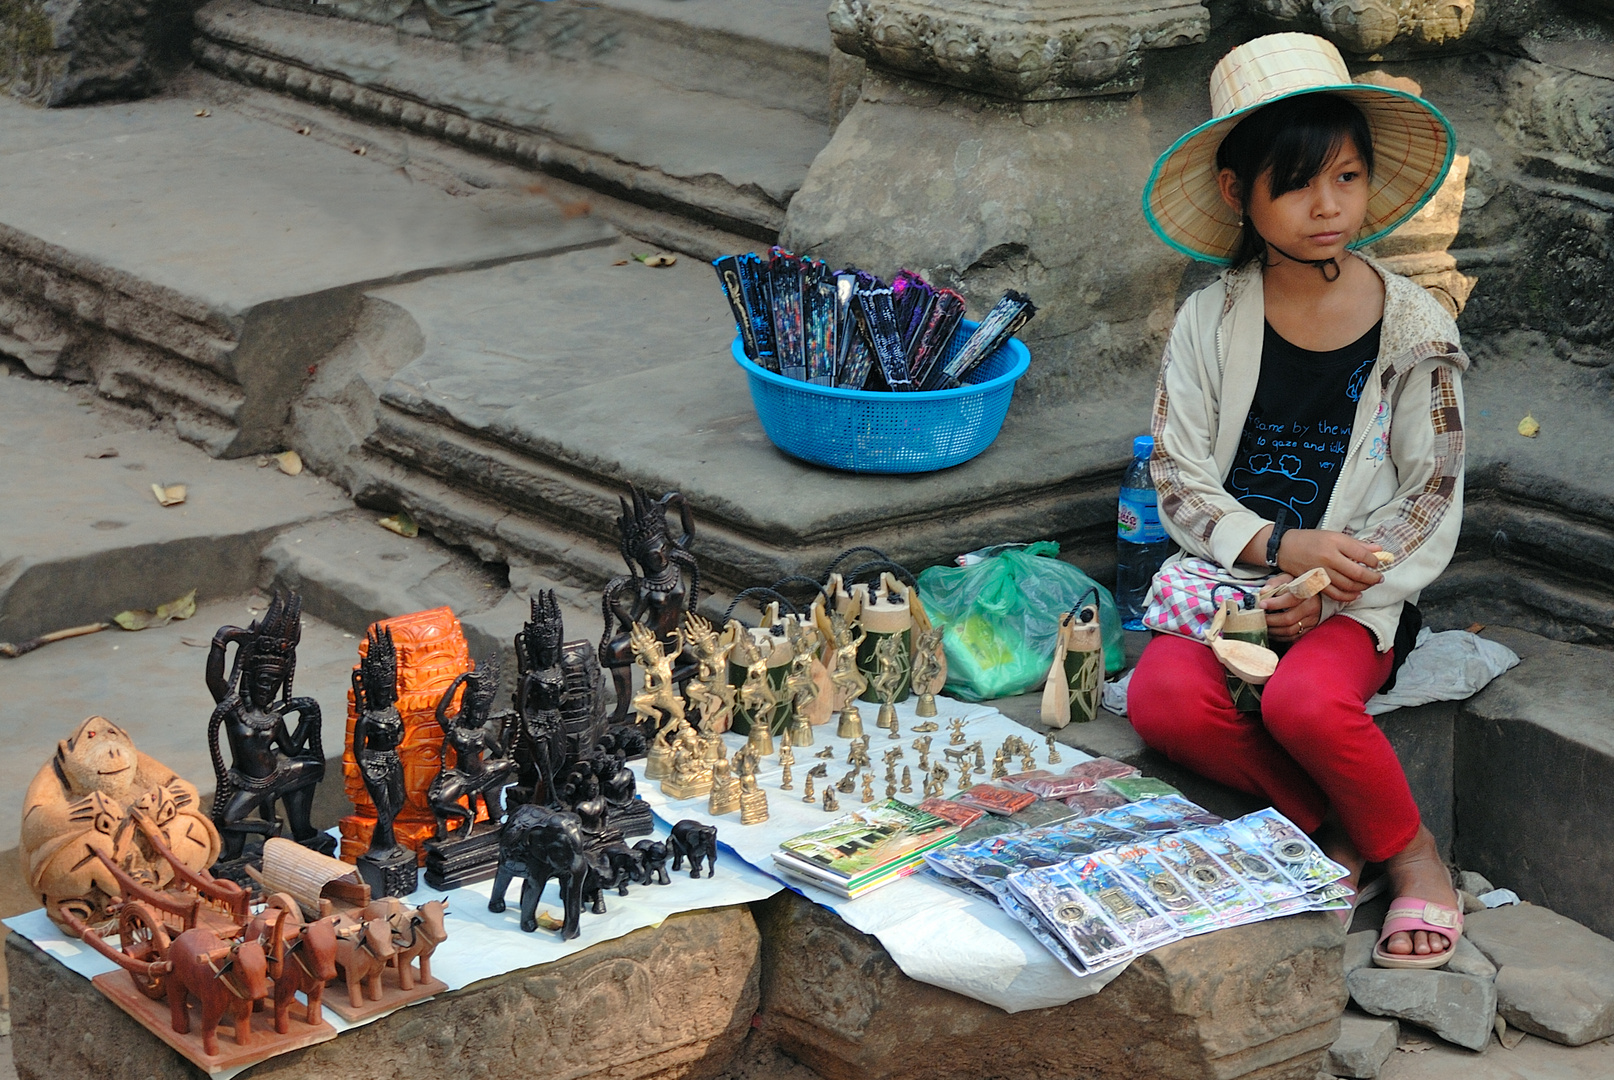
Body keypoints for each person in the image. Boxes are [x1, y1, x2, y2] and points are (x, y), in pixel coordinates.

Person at [1130, 33, 1468, 970]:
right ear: (1241, 194)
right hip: (1238, 578)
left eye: (1349, 178)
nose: (1329, 207)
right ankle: (1333, 824)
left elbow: (1429, 493)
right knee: (1163, 699)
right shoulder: (1210, 320)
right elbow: (1181, 480)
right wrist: (1281, 551)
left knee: (1308, 705)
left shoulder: (1414, 326)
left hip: (1356, 595)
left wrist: (1335, 582)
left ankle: (1412, 855)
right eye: (1297, 183)